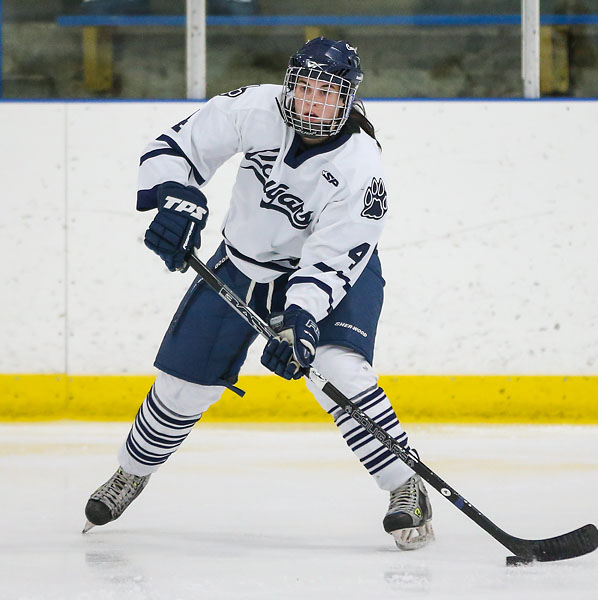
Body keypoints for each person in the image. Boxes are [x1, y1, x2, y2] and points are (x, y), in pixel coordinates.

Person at [82, 37, 434, 551]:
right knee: (182, 385)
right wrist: (175, 199)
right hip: (241, 263)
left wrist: (301, 320)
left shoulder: (362, 167)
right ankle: (132, 472)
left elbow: (333, 259)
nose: (312, 104)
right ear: (290, 85)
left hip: (329, 276)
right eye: (305, 89)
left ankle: (406, 485)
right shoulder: (257, 107)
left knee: (338, 371)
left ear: (349, 100)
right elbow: (178, 147)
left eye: (327, 95)